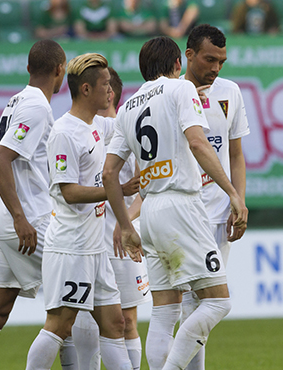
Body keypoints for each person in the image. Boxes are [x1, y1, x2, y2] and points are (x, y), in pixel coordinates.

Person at [103, 36, 248, 370]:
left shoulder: (128, 107)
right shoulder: (180, 90)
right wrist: (232, 192)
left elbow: (110, 173)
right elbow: (197, 143)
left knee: (166, 311)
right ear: (178, 64)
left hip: (150, 210)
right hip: (181, 206)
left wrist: (125, 224)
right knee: (218, 302)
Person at [25, 53, 139, 370]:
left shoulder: (97, 125)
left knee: (115, 324)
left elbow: (131, 120)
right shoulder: (64, 132)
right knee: (60, 325)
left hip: (95, 249)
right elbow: (69, 192)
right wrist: (116, 190)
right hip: (71, 247)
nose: (110, 91)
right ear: (86, 90)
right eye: (104, 85)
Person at [0, 39, 66, 370]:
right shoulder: (37, 107)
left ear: (28, 68)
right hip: (27, 222)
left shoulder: (16, 101)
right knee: (76, 304)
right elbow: (0, 160)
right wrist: (21, 219)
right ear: (59, 70)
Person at [179, 24, 250, 370]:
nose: (216, 68)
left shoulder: (230, 92)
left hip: (220, 214)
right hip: (182, 211)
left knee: (201, 305)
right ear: (188, 55)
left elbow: (236, 154)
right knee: (193, 305)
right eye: (209, 59)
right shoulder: (171, 93)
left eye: (221, 61)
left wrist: (239, 200)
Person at [72, 66, 150, 370]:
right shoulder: (81, 131)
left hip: (123, 239)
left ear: (110, 92)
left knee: (127, 319)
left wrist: (125, 220)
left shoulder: (128, 130)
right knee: (83, 317)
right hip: (87, 236)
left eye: (105, 84)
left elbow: (147, 186)